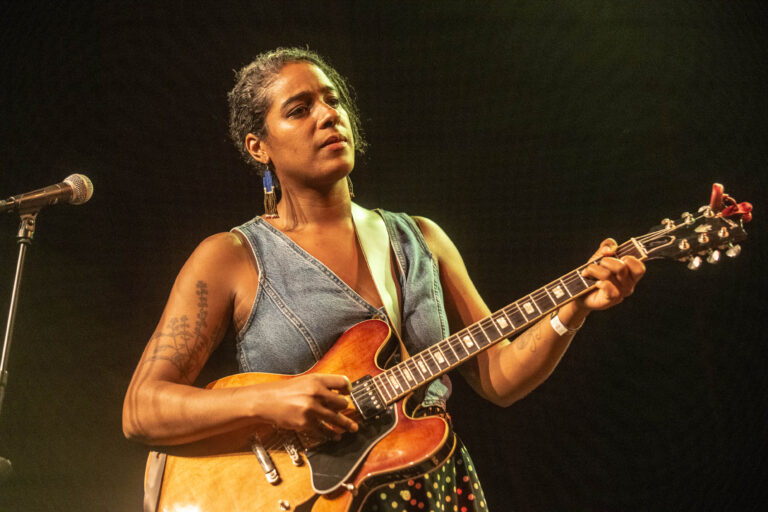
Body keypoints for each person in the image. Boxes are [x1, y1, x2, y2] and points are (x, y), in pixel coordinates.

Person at [122, 47, 645, 511]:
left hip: (434, 485)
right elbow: (143, 408)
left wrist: (572, 310)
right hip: (309, 500)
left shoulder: (421, 238)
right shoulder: (231, 256)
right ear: (259, 147)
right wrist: (270, 401)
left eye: (332, 101)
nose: (328, 115)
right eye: (300, 109)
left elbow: (500, 378)